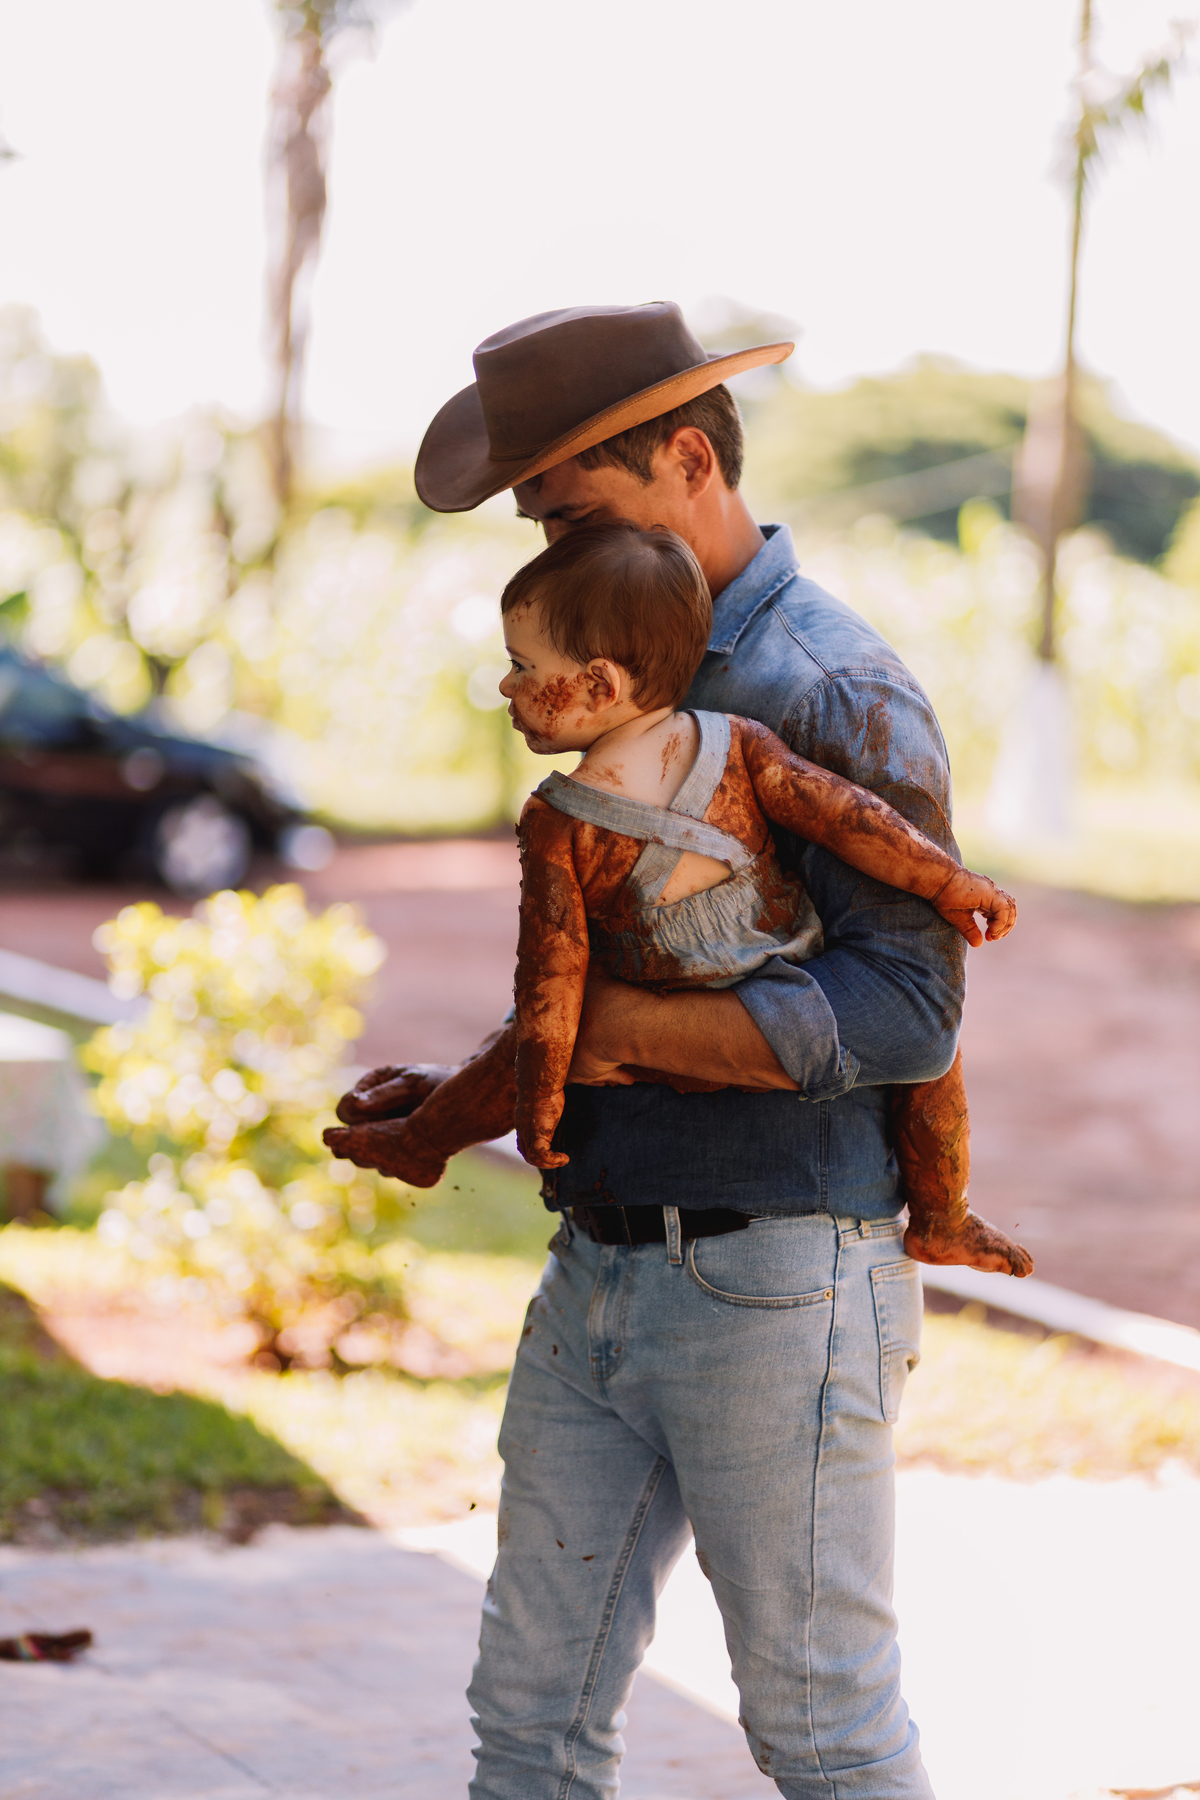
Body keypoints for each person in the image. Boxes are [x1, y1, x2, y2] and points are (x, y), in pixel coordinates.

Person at [328, 302, 990, 1798]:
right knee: (529, 1722)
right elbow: (590, 983)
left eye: (573, 516)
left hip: (778, 1282)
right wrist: (447, 1114)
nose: (551, 568)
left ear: (691, 458)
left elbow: (910, 1011)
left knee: (819, 1727)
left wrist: (619, 1031)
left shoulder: (824, 693)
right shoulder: (619, 684)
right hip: (599, 1270)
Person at [331, 518, 1030, 1286]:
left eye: (521, 666)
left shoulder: (559, 819)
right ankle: (941, 1218)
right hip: (777, 979)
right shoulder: (739, 742)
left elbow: (550, 987)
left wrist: (538, 1109)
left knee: (550, 1040)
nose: (505, 685)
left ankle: (423, 1141)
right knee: (936, 1061)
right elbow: (852, 820)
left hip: (669, 1010)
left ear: (599, 685)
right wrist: (951, 882)